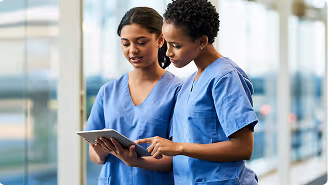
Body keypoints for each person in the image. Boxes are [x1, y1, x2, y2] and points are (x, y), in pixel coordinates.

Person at [136, 0, 259, 184]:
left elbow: (244, 147)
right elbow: (183, 151)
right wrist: (137, 157)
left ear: (202, 41)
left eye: (176, 45)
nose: (168, 53)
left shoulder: (225, 77)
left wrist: (178, 147)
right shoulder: (188, 84)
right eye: (166, 44)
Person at [84, 7, 181, 185]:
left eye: (141, 42)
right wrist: (101, 150)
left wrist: (137, 162)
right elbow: (94, 156)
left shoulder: (177, 91)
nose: (133, 50)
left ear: (160, 40)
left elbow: (180, 156)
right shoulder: (108, 91)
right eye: (126, 43)